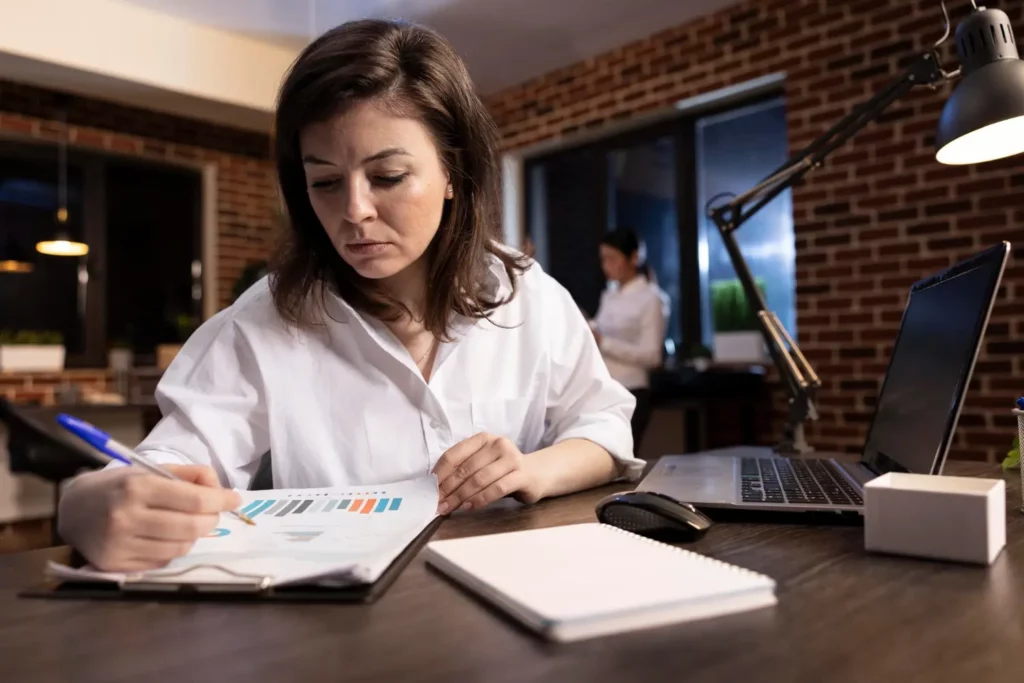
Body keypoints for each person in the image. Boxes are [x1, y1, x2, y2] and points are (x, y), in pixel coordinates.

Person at [56, 19, 642, 572]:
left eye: (387, 177)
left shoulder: (526, 296)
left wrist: (531, 470)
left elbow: (605, 427)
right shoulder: (263, 324)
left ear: (453, 176)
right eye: (326, 183)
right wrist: (88, 501)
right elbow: (166, 466)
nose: (355, 211)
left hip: (522, 592)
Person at [591, 228, 668, 451]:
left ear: (634, 257)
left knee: (621, 459)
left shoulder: (651, 298)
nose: (606, 265)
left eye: (612, 258)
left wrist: (604, 342)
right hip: (605, 389)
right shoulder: (610, 295)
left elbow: (652, 356)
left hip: (633, 391)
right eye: (603, 259)